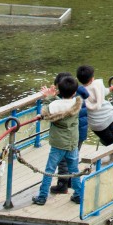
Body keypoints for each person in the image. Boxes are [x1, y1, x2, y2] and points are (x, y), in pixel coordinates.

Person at [34, 74, 83, 207]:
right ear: (74, 92)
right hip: (72, 142)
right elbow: (63, 105)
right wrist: (52, 97)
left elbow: (45, 112)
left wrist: (48, 97)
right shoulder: (77, 103)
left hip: (58, 144)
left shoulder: (54, 105)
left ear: (59, 91)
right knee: (74, 170)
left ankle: (42, 196)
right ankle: (79, 195)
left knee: (49, 170)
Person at [78, 64, 113, 148]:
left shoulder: (80, 91)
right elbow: (103, 92)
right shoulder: (98, 84)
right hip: (109, 115)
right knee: (112, 138)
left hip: (97, 124)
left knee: (110, 140)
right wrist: (111, 89)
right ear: (92, 78)